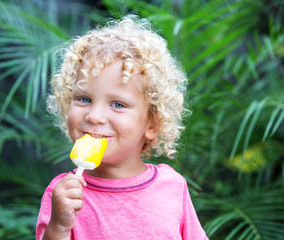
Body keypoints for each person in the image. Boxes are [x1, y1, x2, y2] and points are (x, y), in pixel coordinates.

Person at [36, 15, 209, 240]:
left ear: (153, 122)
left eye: (118, 104)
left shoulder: (172, 186)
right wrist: (58, 227)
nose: (95, 116)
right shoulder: (63, 195)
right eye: (84, 99)